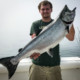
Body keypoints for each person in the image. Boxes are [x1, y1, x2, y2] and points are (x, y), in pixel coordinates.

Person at [29, 1, 75, 80]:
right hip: (37, 65)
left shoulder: (59, 23)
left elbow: (71, 38)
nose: (45, 11)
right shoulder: (35, 24)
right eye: (43, 9)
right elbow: (34, 39)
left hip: (54, 65)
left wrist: (69, 23)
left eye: (47, 9)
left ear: (51, 10)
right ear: (39, 11)